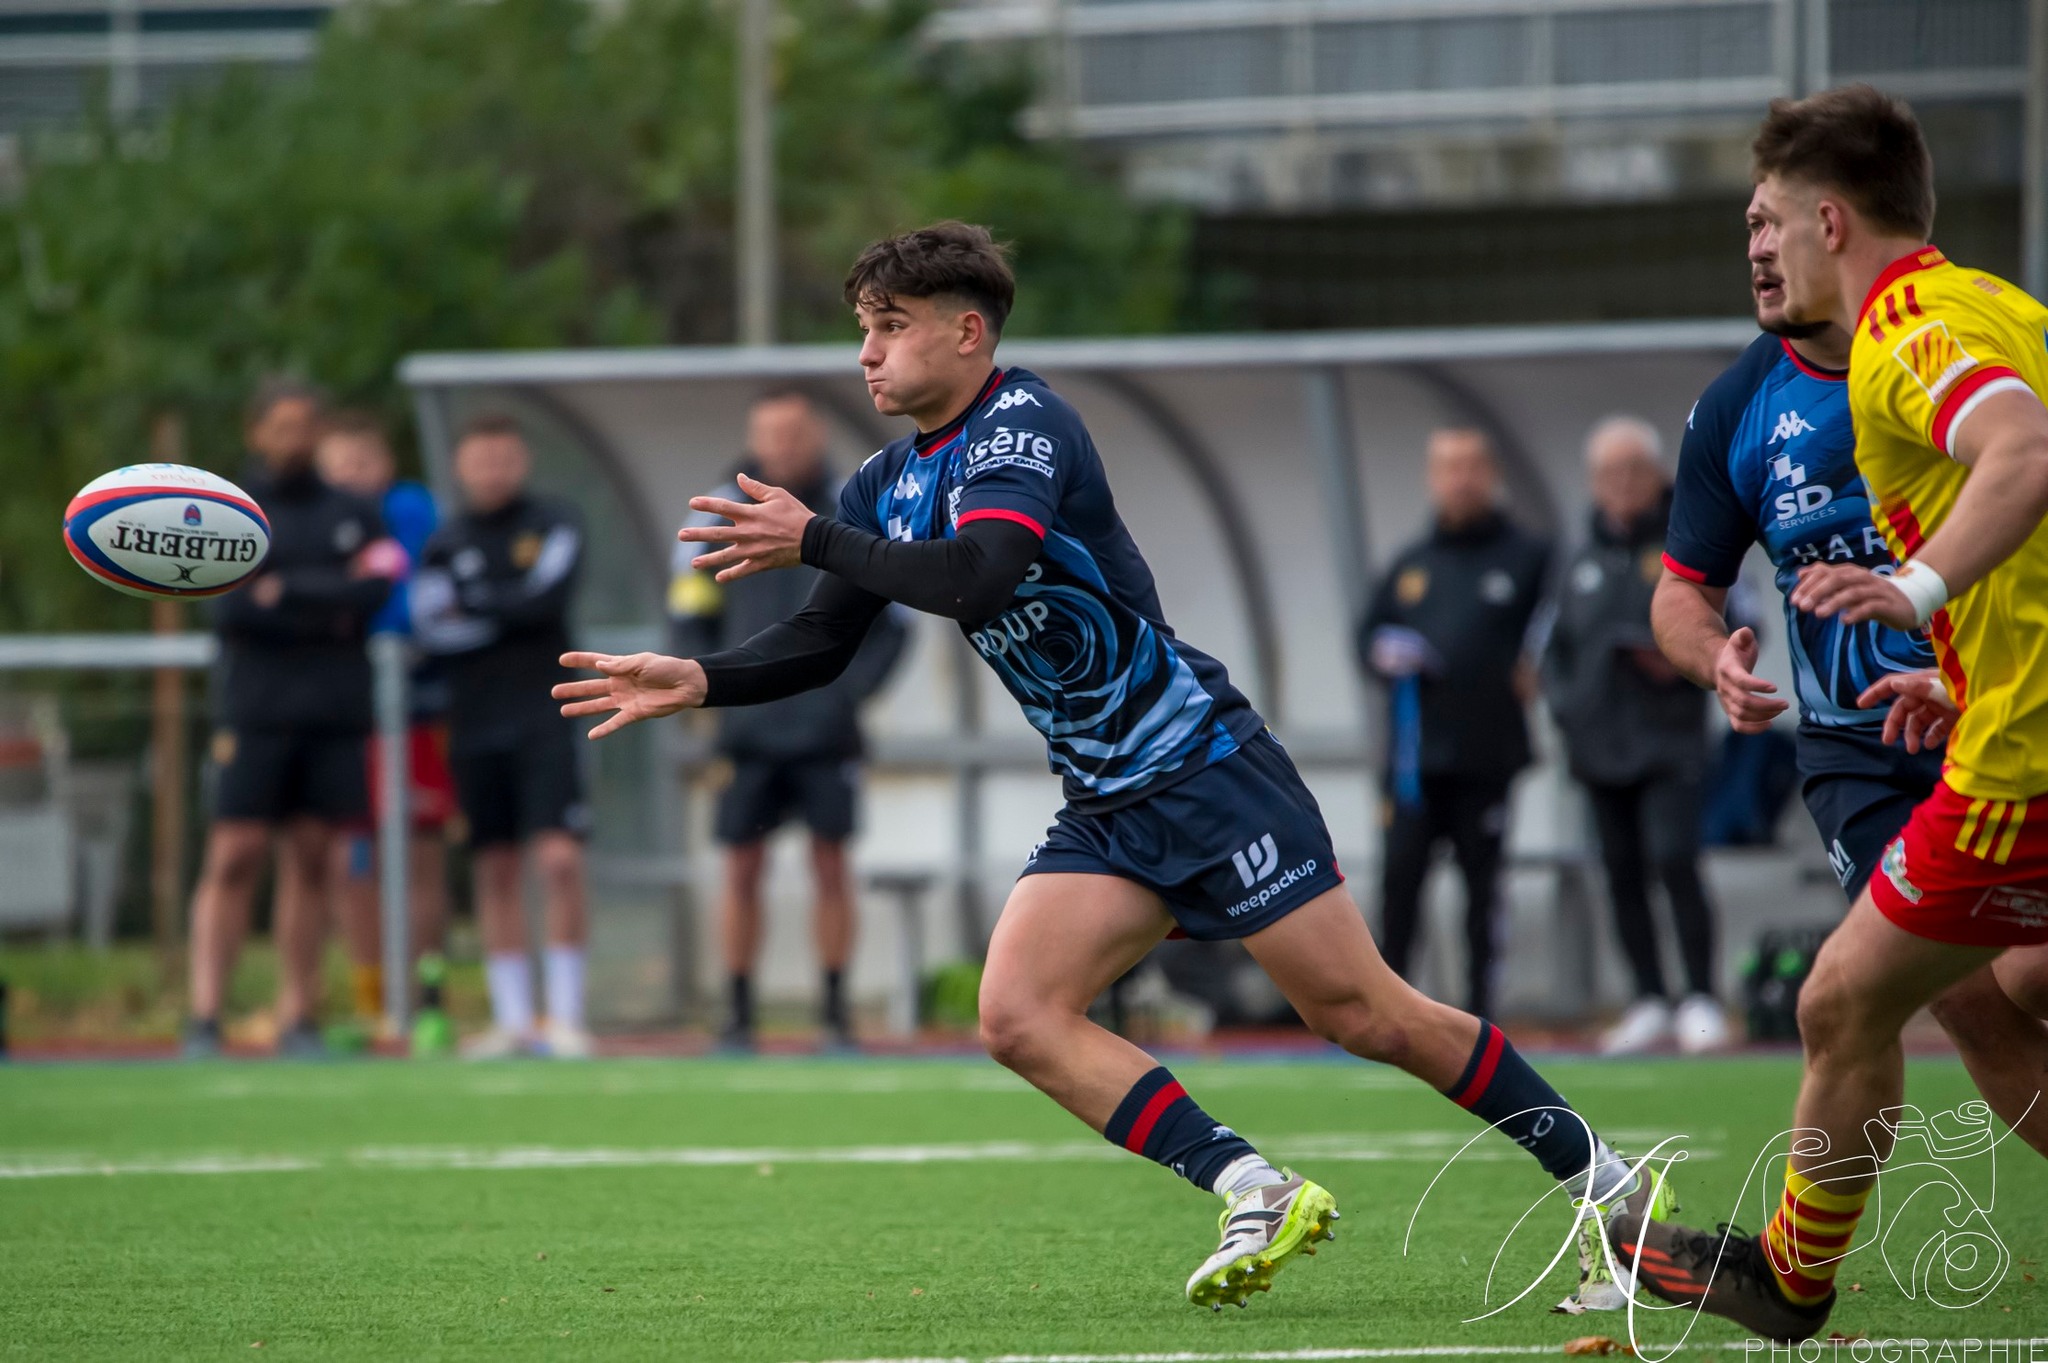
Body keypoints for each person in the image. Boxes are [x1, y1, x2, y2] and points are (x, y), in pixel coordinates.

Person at [555, 221, 1672, 1314]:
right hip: (1105, 802)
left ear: (967, 332)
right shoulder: (880, 484)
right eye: (861, 328)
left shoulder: (1022, 426)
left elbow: (980, 575)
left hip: (1205, 768)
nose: (866, 353)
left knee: (1367, 1015)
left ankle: (1616, 1193)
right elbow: (819, 639)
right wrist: (696, 677)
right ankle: (1251, 1184)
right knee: (1017, 1014)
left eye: (888, 327)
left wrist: (815, 540)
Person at [1614, 86, 2048, 1342]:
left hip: (2008, 755)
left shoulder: (1905, 329)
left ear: (1824, 219)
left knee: (1852, 1000)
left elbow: (2019, 456)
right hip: (1905, 740)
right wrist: (1951, 662)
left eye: (1765, 218)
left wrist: (1915, 590)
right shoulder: (1995, 310)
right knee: (1956, 996)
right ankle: (1786, 1275)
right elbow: (1678, 590)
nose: (1754, 244)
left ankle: (1787, 1277)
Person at [672, 390, 907, 1052]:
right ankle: (738, 1014)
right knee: (740, 867)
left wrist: (846, 693)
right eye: (770, 432)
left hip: (826, 730)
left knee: (831, 864)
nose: (783, 444)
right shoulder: (716, 510)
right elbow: (688, 608)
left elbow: (897, 629)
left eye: (794, 432)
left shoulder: (856, 509)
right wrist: (710, 684)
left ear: (815, 436)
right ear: (754, 437)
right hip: (745, 727)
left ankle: (835, 1012)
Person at [183, 381, 402, 1059]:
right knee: (235, 852)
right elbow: (230, 606)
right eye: (281, 427)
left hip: (335, 708)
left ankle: (296, 1013)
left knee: (312, 859)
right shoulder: (226, 512)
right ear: (257, 433)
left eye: (305, 426)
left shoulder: (354, 510)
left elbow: (376, 587)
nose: (295, 439)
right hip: (256, 709)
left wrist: (287, 589)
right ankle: (205, 1014)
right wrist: (321, 595)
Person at [414, 414, 593, 1060]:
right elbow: (432, 624)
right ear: (462, 468)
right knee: (493, 866)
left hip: (548, 712)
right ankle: (515, 1020)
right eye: (480, 459)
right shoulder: (444, 540)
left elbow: (542, 601)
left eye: (503, 458)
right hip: (474, 718)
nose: (493, 471)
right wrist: (497, 605)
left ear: (521, 462)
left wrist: (479, 602)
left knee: (559, 859)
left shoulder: (555, 521)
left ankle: (566, 1017)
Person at [1544, 417, 1725, 1054]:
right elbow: (1550, 649)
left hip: (1670, 739)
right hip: (1598, 747)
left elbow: (1734, 619)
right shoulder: (1577, 557)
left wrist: (1677, 663)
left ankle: (1701, 997)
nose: (1619, 485)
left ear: (1657, 476)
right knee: (1619, 871)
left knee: (1675, 858)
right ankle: (1648, 996)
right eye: (1607, 473)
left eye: (1632, 470)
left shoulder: (1689, 538)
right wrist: (1568, 708)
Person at [1358, 428, 1549, 1020]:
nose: (1460, 479)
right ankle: (1388, 1008)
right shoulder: (1412, 562)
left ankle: (1480, 1012)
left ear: (1490, 475)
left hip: (1485, 760)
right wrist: (1382, 651)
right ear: (1432, 478)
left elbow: (1553, 637)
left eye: (1470, 467)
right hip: (1415, 765)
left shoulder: (1527, 556)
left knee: (1482, 893)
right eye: (1447, 468)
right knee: (1399, 884)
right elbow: (1367, 635)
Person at [313, 411, 455, 1053]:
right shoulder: (306, 525)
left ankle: (425, 999)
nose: (352, 478)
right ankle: (376, 1005)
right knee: (352, 860)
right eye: (338, 467)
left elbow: (415, 592)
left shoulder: (411, 513)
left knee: (422, 849)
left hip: (413, 712)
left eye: (363, 463)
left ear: (387, 466)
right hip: (345, 716)